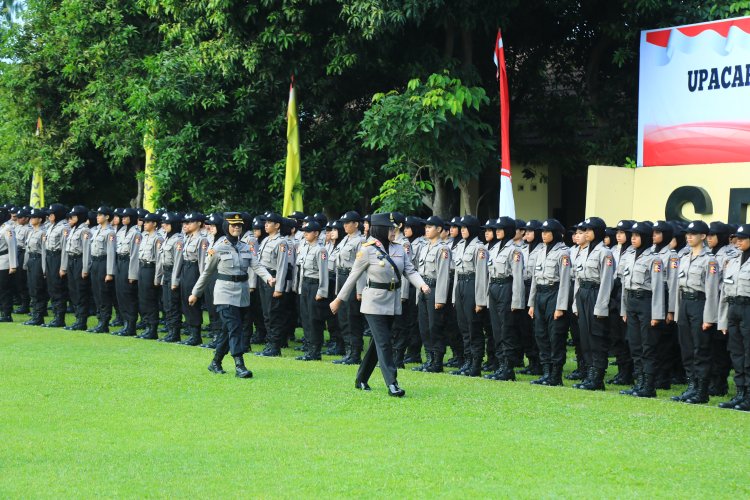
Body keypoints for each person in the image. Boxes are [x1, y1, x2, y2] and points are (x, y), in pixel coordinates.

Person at [330, 212, 430, 397]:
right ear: (381, 230)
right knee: (384, 342)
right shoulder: (367, 250)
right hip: (373, 303)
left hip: (392, 302)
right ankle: (392, 383)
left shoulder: (399, 249)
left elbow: (410, 270)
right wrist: (338, 299)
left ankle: (361, 378)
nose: (394, 232)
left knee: (378, 344)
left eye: (395, 229)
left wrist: (422, 285)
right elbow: (353, 277)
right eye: (391, 229)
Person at [190, 213, 274, 378]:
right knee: (235, 328)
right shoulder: (219, 247)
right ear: (226, 227)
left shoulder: (245, 247)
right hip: (225, 293)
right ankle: (239, 364)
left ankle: (215, 362)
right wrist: (195, 293)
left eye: (239, 225)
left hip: (242, 294)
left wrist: (268, 278)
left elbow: (256, 265)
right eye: (233, 225)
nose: (237, 228)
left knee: (227, 330)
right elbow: (207, 273)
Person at [672, 220, 720, 404]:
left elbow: (712, 290)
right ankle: (692, 386)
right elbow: (677, 287)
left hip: (700, 304)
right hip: (684, 303)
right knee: (686, 348)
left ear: (703, 236)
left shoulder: (710, 260)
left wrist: (709, 317)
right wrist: (677, 311)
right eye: (687, 234)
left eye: (693, 233)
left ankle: (702, 390)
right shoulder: (684, 257)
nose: (689, 236)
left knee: (701, 349)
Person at [619, 221, 665, 398]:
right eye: (632, 235)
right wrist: (624, 310)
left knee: (648, 345)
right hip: (631, 302)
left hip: (646, 302)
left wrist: (657, 314)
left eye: (637, 236)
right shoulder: (630, 255)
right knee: (635, 344)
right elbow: (624, 285)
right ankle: (639, 382)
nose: (633, 238)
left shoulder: (654, 259)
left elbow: (658, 288)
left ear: (645, 238)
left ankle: (649, 385)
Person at [572, 217, 614, 391]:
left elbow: (607, 281)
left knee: (596, 336)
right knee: (585, 336)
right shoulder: (582, 251)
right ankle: (589, 373)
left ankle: (597, 377)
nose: (586, 233)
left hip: (596, 293)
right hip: (583, 292)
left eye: (589, 230)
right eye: (585, 230)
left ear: (597, 232)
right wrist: (575, 303)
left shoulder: (605, 253)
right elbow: (578, 279)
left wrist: (601, 306)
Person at [481, 216, 525, 381]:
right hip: (494, 287)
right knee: (496, 329)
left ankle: (508, 367)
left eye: (500, 229)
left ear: (507, 231)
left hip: (506, 287)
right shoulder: (493, 249)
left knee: (506, 328)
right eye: (496, 229)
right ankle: (500, 365)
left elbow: (518, 277)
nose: (496, 231)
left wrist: (516, 301)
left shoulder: (514, 251)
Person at [528, 219, 571, 386]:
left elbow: (565, 281)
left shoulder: (563, 253)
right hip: (540, 294)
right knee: (541, 334)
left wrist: (560, 307)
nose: (544, 235)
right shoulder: (540, 251)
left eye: (547, 232)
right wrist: (531, 303)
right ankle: (546, 372)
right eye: (543, 232)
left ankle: (555, 375)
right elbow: (534, 279)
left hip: (554, 293)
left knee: (555, 335)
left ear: (555, 234)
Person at [451, 215, 489, 377]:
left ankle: (476, 363)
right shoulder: (460, 245)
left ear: (472, 229)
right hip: (460, 285)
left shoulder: (480, 248)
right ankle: (467, 361)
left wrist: (480, 300)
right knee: (463, 326)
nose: (462, 230)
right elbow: (457, 274)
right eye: (462, 228)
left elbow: (482, 275)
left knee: (474, 327)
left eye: (465, 227)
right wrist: (454, 296)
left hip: (473, 285)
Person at [718, 224, 750, 410]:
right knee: (737, 353)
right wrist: (723, 319)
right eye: (736, 238)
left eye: (742, 238)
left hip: (748, 308)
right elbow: (725, 292)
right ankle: (740, 394)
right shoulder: (733, 261)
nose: (738, 241)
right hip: (734, 308)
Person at [416, 215, 451, 373]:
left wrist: (441, 298)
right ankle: (429, 359)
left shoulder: (443, 249)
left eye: (430, 227)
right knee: (424, 326)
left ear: (439, 229)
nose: (427, 229)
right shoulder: (425, 247)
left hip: (435, 288)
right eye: (426, 227)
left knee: (434, 326)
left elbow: (443, 274)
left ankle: (437, 362)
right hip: (423, 288)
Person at [332, 210, 365, 364]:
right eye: (343, 223)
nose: (344, 225)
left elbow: (361, 268)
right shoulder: (345, 239)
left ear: (356, 224)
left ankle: (355, 352)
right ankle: (348, 351)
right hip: (342, 278)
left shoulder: (361, 241)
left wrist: (360, 290)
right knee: (343, 317)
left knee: (353, 317)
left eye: (347, 223)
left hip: (353, 279)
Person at [255, 212, 290, 356]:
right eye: (265, 222)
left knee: (273, 313)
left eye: (269, 222)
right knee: (266, 313)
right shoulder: (265, 240)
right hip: (264, 278)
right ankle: (270, 344)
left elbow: (282, 266)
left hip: (273, 279)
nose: (266, 225)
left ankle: (275, 346)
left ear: (277, 225)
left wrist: (279, 288)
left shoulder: (281, 242)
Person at [172, 211, 208, 346]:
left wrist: (201, 281)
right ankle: (191, 332)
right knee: (185, 301)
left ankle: (196, 335)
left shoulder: (202, 239)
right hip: (185, 270)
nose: (186, 225)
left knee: (193, 302)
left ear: (199, 223)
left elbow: (202, 262)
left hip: (194, 270)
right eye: (185, 222)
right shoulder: (187, 238)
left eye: (189, 222)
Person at [295, 221, 329, 360]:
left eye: (308, 231)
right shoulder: (305, 248)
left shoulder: (320, 250)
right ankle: (309, 349)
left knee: (315, 319)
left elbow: (323, 273)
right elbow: (302, 270)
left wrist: (322, 291)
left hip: (315, 285)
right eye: (304, 231)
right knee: (306, 317)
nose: (305, 233)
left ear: (316, 233)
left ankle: (315, 351)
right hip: (306, 284)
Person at [83, 206, 117, 333]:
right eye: (97, 215)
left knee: (103, 294)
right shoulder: (95, 230)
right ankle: (99, 320)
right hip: (95, 263)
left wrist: (109, 272)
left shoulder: (110, 233)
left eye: (100, 215)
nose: (97, 217)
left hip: (103, 263)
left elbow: (111, 253)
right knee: (96, 293)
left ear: (107, 217)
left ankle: (104, 322)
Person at [155, 212, 184, 343]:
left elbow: (178, 261)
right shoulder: (167, 238)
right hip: (166, 273)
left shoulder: (178, 240)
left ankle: (175, 332)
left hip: (173, 272)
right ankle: (170, 330)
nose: (164, 226)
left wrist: (175, 280)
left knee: (173, 304)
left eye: (167, 223)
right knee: (166, 303)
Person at [60, 205, 90, 331]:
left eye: (73, 216)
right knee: (73, 290)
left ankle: (82, 320)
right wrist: (64, 267)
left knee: (80, 291)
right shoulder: (73, 229)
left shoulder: (85, 231)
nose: (70, 219)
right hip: (71, 261)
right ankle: (78, 318)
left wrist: (85, 268)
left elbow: (86, 251)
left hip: (79, 261)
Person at [135, 212, 164, 340]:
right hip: (142, 267)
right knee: (142, 298)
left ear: (154, 224)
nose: (144, 224)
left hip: (150, 269)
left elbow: (159, 260)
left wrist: (157, 277)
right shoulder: (144, 236)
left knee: (150, 299)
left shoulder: (158, 238)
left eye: (147, 222)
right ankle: (147, 325)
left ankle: (152, 328)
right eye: (144, 222)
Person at [113, 208, 141, 337]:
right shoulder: (121, 231)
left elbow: (135, 254)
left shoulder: (136, 232)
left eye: (126, 217)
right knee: (120, 294)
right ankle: (125, 323)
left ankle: (131, 325)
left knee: (128, 295)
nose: (123, 218)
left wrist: (132, 274)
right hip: (120, 262)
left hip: (128, 263)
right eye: (122, 217)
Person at [42, 203, 69, 327]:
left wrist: (63, 267)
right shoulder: (51, 226)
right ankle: (55, 315)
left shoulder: (64, 228)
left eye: (51, 214)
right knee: (51, 288)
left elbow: (64, 249)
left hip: (58, 258)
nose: (49, 216)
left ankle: (60, 318)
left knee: (58, 288)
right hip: (50, 257)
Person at [23, 208, 48, 326]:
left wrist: (44, 268)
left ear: (40, 219)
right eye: (31, 217)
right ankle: (35, 315)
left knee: (38, 289)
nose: (31, 219)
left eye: (33, 217)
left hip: (38, 260)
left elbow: (44, 252)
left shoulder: (43, 233)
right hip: (31, 261)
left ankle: (39, 316)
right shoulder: (31, 231)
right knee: (32, 288)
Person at [0, 208, 18, 321]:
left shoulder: (7, 228)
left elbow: (12, 246)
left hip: (5, 261)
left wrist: (13, 265)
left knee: (5, 289)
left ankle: (7, 314)